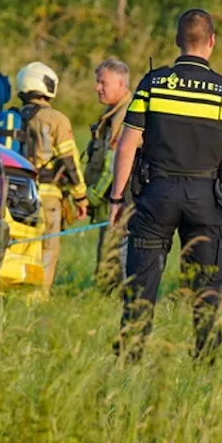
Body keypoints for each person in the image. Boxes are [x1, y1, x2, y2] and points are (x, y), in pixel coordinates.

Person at [107, 9, 222, 362]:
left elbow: (127, 146)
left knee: (141, 285)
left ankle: (130, 357)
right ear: (212, 42)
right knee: (207, 288)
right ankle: (204, 360)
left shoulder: (153, 84)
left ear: (177, 41)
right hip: (207, 199)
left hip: (157, 195)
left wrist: (116, 199)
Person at [14, 62, 88, 294]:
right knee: (48, 248)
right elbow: (70, 162)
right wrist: (80, 196)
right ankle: (37, 296)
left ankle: (14, 289)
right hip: (47, 197)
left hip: (14, 195)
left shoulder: (9, 117)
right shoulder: (56, 119)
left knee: (20, 245)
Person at [84, 58, 133, 294]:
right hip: (111, 201)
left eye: (103, 82)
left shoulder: (125, 115)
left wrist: (90, 197)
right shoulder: (112, 113)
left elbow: (112, 165)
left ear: (121, 84)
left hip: (120, 201)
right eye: (97, 82)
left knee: (111, 264)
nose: (97, 88)